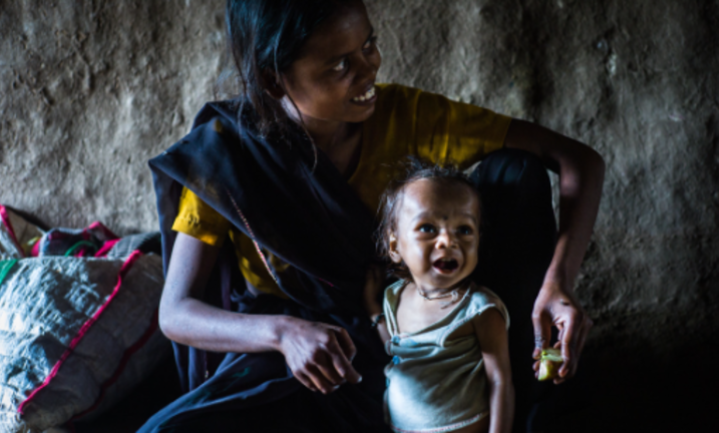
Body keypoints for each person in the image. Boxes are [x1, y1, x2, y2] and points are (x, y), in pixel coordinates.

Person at [140, 0, 604, 431]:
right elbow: (177, 312)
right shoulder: (231, 158)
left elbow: (577, 160)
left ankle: (527, 396)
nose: (369, 71)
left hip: (422, 327)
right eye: (340, 64)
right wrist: (283, 333)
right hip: (307, 353)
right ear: (272, 79)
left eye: (368, 46)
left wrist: (558, 283)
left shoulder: (406, 116)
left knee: (514, 174)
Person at [364, 163, 514, 433]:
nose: (448, 241)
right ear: (395, 246)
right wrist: (374, 309)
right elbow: (398, 351)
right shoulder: (395, 296)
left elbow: (500, 381)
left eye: (464, 230)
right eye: (428, 228)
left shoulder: (479, 309)